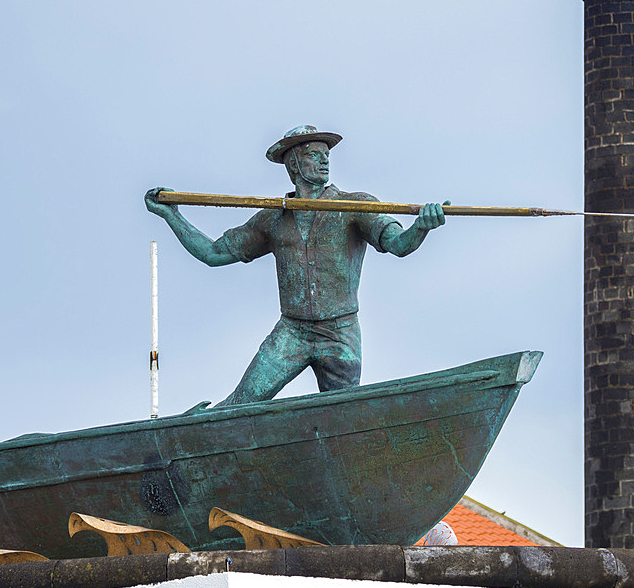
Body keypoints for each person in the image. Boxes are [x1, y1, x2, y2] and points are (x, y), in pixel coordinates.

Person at [145, 125, 446, 406]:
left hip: (340, 334)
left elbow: (399, 244)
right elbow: (213, 253)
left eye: (326, 155)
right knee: (238, 406)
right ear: (293, 166)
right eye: (314, 155)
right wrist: (172, 216)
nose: (324, 161)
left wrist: (422, 227)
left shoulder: (355, 206)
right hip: (292, 332)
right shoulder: (272, 219)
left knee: (345, 417)